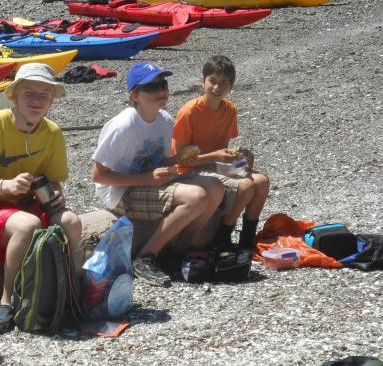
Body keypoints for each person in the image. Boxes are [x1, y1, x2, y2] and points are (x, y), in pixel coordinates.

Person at [0, 62, 82, 334]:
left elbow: (55, 180)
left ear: (52, 100)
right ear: (14, 95)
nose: (37, 101)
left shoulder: (52, 133)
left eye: (44, 95)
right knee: (26, 224)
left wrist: (56, 195)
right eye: (29, 93)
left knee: (71, 220)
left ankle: (73, 290)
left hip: (25, 204)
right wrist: (4, 186)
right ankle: (6, 300)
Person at [91, 61, 225, 287]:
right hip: (121, 192)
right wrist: (146, 179)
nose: (162, 91)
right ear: (135, 95)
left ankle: (179, 249)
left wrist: (176, 160)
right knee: (197, 197)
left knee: (216, 187)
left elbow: (158, 161)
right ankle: (145, 258)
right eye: (152, 87)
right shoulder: (123, 126)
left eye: (163, 84)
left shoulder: (164, 120)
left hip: (149, 182)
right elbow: (98, 176)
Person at [172, 55, 270, 250]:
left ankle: (247, 240)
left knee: (262, 181)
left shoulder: (229, 109)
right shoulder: (189, 112)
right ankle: (225, 232)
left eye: (223, 83)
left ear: (230, 86)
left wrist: (242, 156)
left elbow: (223, 146)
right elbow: (179, 159)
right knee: (246, 185)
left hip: (216, 165)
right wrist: (216, 156)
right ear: (203, 82)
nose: (217, 88)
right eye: (213, 82)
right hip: (191, 169)